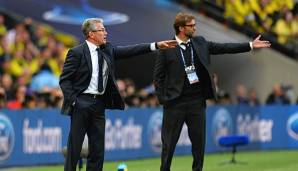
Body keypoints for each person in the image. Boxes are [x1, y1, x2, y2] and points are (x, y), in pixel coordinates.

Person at [153, 12, 271, 171]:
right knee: (168, 145)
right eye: (191, 26)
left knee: (199, 144)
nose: (195, 28)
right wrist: (164, 99)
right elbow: (158, 77)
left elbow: (224, 47)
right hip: (175, 104)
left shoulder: (200, 43)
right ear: (181, 28)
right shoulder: (166, 47)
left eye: (195, 25)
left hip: (196, 102)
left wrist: (249, 45)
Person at [59, 18, 177, 171]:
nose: (105, 32)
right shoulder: (76, 52)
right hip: (81, 103)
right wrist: (74, 101)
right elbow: (65, 80)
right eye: (102, 30)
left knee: (97, 150)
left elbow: (130, 50)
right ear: (91, 34)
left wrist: (155, 46)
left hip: (98, 105)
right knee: (74, 148)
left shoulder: (107, 49)